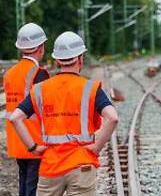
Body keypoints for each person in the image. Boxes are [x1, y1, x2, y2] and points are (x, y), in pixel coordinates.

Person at [10, 31, 118, 196]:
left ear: (57, 60)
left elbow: (15, 118)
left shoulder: (40, 89)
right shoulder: (91, 88)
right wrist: (96, 147)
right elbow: (113, 118)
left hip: (50, 166)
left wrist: (33, 148)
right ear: (80, 59)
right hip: (82, 165)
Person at [3, 23, 49, 196]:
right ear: (40, 47)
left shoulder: (9, 73)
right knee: (32, 187)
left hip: (16, 139)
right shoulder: (39, 74)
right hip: (34, 140)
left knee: (24, 182)